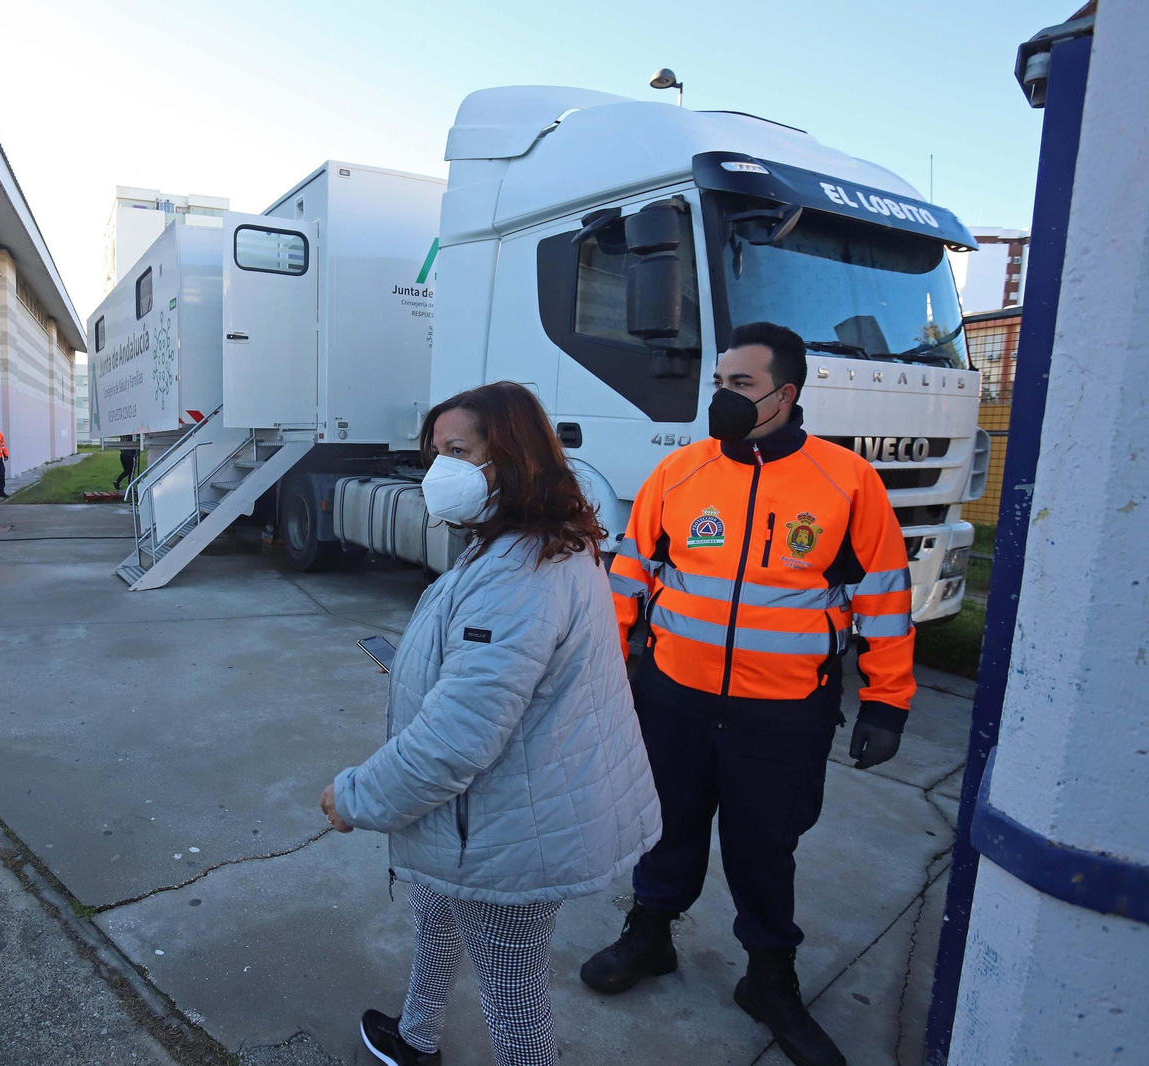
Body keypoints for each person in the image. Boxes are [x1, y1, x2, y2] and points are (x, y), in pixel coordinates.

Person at [579, 322, 916, 1066]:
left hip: (786, 713)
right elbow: (630, 578)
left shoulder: (846, 482)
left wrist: (888, 702)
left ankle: (769, 978)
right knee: (664, 824)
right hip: (675, 697)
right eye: (718, 384)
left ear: (785, 395)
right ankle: (651, 934)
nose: (722, 398)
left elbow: (885, 601)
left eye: (740, 386)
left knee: (765, 848)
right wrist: (608, 668)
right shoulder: (681, 473)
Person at [321, 381, 661, 1066]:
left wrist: (354, 796)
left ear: (510, 457)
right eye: (433, 452)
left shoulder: (519, 572)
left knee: (513, 998)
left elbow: (456, 741)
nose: (437, 469)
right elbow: (494, 681)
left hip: (509, 825)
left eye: (457, 450)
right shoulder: (530, 543)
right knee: (435, 910)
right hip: (495, 812)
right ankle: (416, 1038)